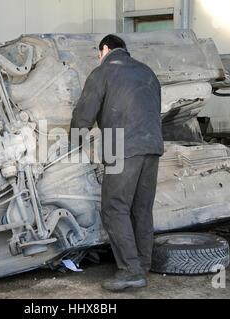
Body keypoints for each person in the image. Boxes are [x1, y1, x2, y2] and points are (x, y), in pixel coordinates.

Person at [70, 34, 164, 291]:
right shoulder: (147, 72)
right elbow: (155, 109)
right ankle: (142, 265)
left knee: (114, 208)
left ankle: (130, 271)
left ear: (105, 49)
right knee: (141, 209)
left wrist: (73, 146)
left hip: (122, 148)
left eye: (99, 53)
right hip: (152, 147)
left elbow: (83, 115)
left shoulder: (102, 72)